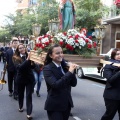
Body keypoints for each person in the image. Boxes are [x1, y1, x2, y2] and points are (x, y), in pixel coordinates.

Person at [43, 44, 77, 120]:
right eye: (57, 53)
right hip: (55, 106)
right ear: (51, 56)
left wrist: (72, 71)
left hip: (66, 104)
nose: (61, 55)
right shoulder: (47, 69)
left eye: (61, 52)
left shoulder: (65, 66)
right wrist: (70, 72)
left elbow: (73, 84)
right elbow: (56, 85)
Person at [12, 43, 35, 119]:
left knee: (29, 96)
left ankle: (29, 113)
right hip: (20, 79)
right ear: (18, 50)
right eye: (20, 48)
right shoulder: (15, 58)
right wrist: (28, 60)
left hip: (29, 79)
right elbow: (20, 68)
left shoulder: (29, 56)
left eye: (23, 48)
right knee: (21, 94)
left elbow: (33, 67)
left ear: (25, 48)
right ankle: (20, 106)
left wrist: (33, 62)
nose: (22, 49)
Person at [101, 48, 120, 120]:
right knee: (109, 116)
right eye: (117, 54)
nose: (119, 56)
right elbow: (111, 79)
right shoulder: (108, 66)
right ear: (113, 56)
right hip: (112, 96)